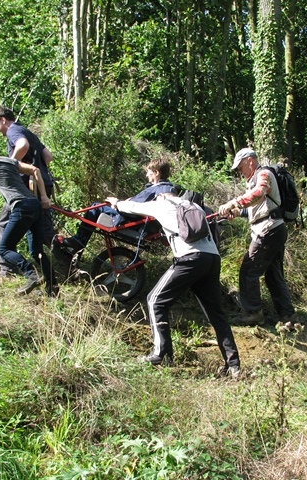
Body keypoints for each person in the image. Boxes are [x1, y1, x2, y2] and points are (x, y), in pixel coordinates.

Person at [105, 191, 241, 377]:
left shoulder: (162, 204)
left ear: (162, 196)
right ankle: (233, 366)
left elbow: (133, 207)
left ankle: (162, 353)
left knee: (155, 300)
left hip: (190, 258)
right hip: (212, 258)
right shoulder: (195, 206)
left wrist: (116, 202)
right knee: (216, 313)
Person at [0, 145, 59, 296]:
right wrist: (43, 196)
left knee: (4, 248)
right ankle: (53, 288)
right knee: (37, 251)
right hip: (35, 205)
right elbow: (35, 170)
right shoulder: (8, 161)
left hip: (21, 206)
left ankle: (31, 274)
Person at [218, 148, 296, 326]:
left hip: (269, 230)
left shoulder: (264, 174)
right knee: (273, 274)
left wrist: (233, 202)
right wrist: (236, 212)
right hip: (273, 228)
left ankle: (253, 313)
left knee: (248, 270)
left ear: (250, 161)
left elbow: (259, 193)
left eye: (240, 167)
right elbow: (257, 209)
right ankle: (287, 315)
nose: (239, 171)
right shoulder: (254, 179)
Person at [0, 106, 56, 276]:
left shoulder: (13, 131)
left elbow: (22, 145)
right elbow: (48, 156)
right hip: (44, 184)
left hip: (26, 188)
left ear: (3, 120)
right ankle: (68, 262)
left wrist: (10, 166)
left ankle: (7, 267)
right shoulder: (28, 132)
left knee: (4, 222)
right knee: (44, 228)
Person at [60, 157, 177, 254]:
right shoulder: (164, 188)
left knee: (96, 207)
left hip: (129, 222)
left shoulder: (161, 190)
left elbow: (138, 208)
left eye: (149, 172)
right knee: (98, 206)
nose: (146, 175)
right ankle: (76, 249)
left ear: (156, 173)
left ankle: (77, 242)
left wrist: (117, 204)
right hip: (132, 218)